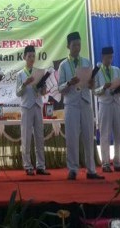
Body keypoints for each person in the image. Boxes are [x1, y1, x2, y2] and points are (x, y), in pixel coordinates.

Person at [58, 31, 104, 180]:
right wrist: (69, 83)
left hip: (85, 102)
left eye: (79, 44)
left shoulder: (87, 62)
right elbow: (59, 88)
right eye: (74, 45)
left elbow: (92, 85)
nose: (77, 47)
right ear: (68, 46)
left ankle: (91, 170)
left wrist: (91, 83)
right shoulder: (64, 65)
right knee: (71, 137)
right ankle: (72, 169)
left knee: (88, 137)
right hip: (71, 103)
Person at [16, 46, 50, 176]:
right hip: (26, 107)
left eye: (33, 56)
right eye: (29, 56)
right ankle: (28, 166)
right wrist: (24, 84)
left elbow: (43, 92)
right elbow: (18, 93)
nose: (31, 58)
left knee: (40, 137)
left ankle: (41, 166)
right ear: (24, 57)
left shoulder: (39, 72)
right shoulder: (20, 74)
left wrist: (43, 86)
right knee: (26, 137)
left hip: (37, 105)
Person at [94, 46, 120, 172]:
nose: (110, 59)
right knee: (105, 133)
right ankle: (105, 163)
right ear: (103, 57)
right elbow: (95, 91)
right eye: (108, 57)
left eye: (112, 57)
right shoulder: (98, 72)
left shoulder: (116, 70)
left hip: (116, 103)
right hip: (104, 104)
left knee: (118, 134)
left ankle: (117, 161)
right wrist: (104, 88)